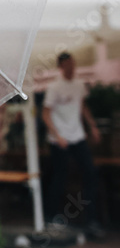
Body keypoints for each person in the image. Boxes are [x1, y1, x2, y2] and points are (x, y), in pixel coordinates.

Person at [41, 52, 102, 236]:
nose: (71, 67)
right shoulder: (54, 87)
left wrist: (92, 126)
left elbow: (82, 106)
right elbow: (45, 113)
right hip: (59, 138)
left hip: (78, 136)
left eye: (73, 63)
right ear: (61, 66)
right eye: (67, 64)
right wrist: (56, 134)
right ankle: (51, 216)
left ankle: (92, 220)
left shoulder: (79, 84)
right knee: (61, 176)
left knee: (90, 173)